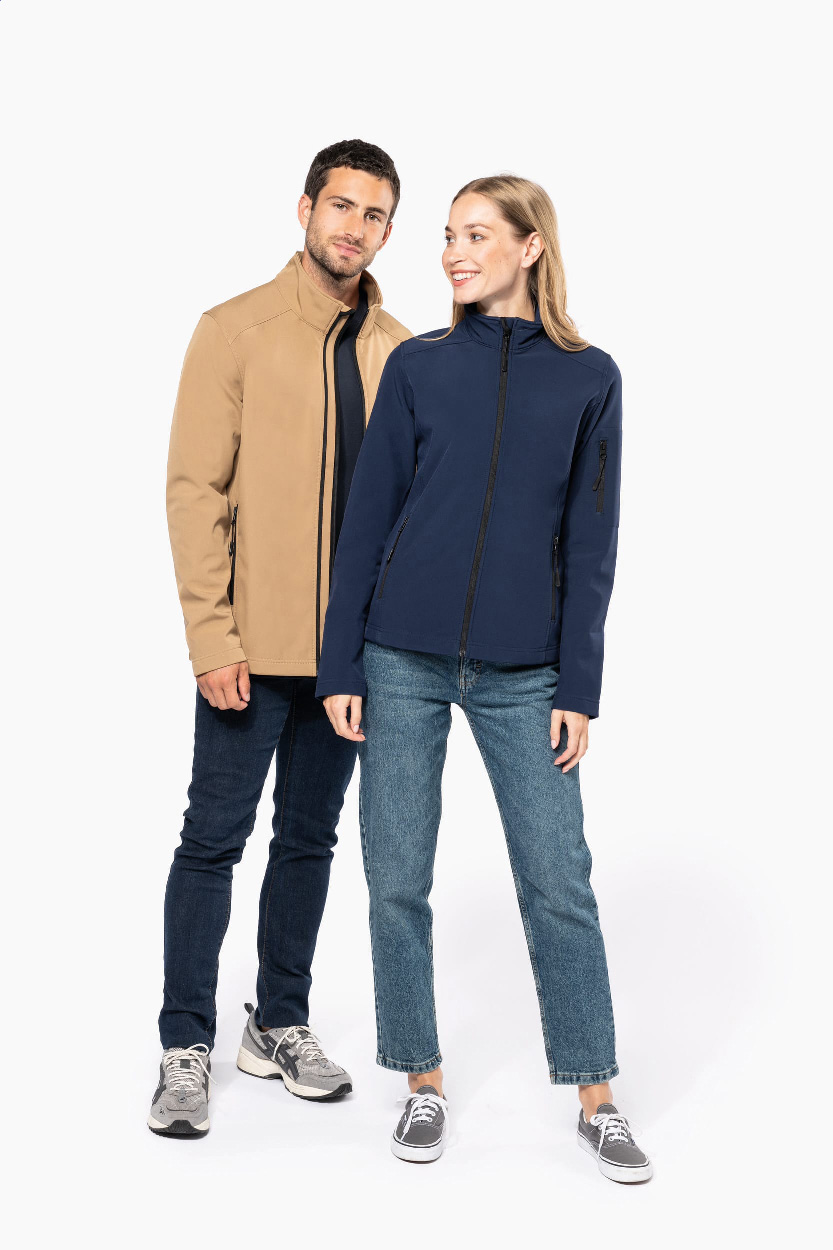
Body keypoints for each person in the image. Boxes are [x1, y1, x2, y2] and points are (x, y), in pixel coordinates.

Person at [316, 175, 652, 1182]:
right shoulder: (417, 366)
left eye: (475, 234)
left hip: (525, 671)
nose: (454, 252)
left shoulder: (589, 377)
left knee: (556, 879)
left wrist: (577, 684)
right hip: (400, 655)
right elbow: (366, 517)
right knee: (396, 877)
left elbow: (592, 539)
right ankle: (420, 1078)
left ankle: (595, 1095)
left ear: (528, 246)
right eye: (447, 236)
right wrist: (341, 659)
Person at [148, 140, 412, 1138]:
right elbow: (194, 492)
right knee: (211, 841)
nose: (354, 227)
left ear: (388, 230)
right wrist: (212, 636)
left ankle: (278, 1022)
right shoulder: (235, 330)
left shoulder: (402, 352)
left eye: (374, 214)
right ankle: (185, 1042)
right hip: (250, 653)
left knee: (309, 840)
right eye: (340, 206)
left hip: (350, 661)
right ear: (304, 209)